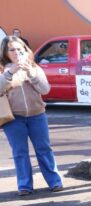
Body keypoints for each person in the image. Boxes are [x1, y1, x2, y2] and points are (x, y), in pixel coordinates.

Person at [0, 36, 63, 195]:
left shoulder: (34, 67)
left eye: (19, 49)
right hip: (13, 118)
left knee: (44, 149)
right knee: (20, 152)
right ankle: (25, 186)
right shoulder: (3, 69)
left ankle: (55, 182)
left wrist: (31, 74)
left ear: (25, 50)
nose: (16, 52)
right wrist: (10, 73)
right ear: (6, 52)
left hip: (37, 115)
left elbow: (45, 90)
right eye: (12, 49)